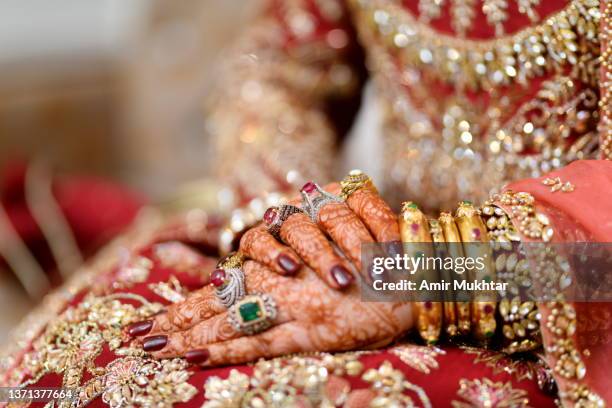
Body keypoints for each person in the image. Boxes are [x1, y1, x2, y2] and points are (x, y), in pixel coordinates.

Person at [1, 1, 610, 406]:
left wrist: (422, 271)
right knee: (84, 367)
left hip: (557, 300)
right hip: (356, 259)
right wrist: (297, 220)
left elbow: (598, 262)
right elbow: (277, 67)